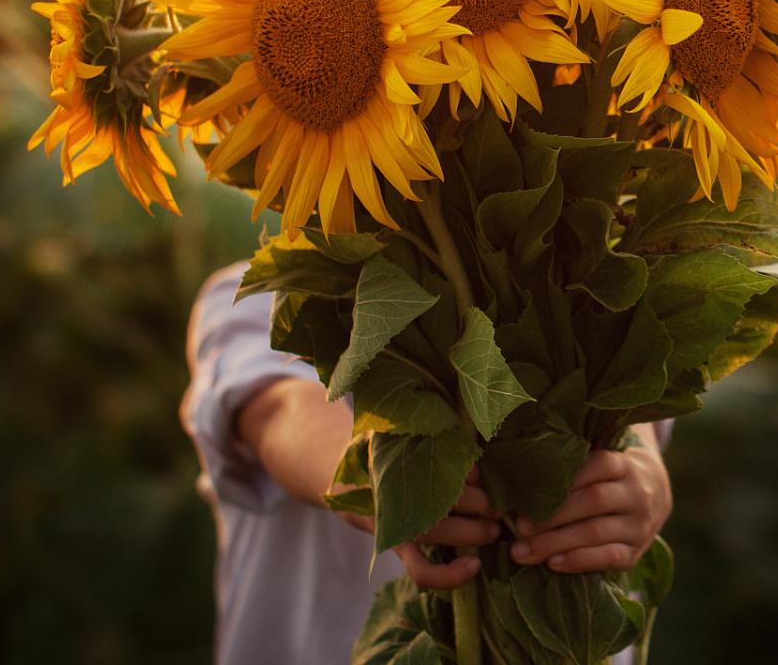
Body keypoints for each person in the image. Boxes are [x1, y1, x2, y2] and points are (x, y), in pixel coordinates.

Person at [181, 259, 674, 664]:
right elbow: (276, 411)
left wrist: (644, 480)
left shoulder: (568, 276)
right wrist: (371, 481)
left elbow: (628, 405)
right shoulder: (264, 293)